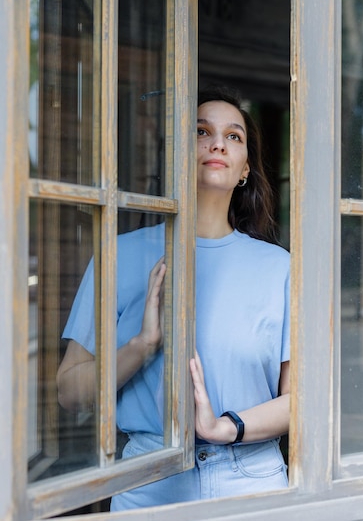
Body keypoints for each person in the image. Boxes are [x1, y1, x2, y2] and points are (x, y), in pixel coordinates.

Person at [57, 84, 290, 509]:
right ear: (179, 153)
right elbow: (69, 392)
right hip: (149, 481)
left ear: (244, 170)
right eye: (201, 131)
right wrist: (142, 346)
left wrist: (227, 427)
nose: (217, 142)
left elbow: (303, 401)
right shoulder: (120, 255)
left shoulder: (280, 268)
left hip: (252, 482)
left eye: (233, 136)